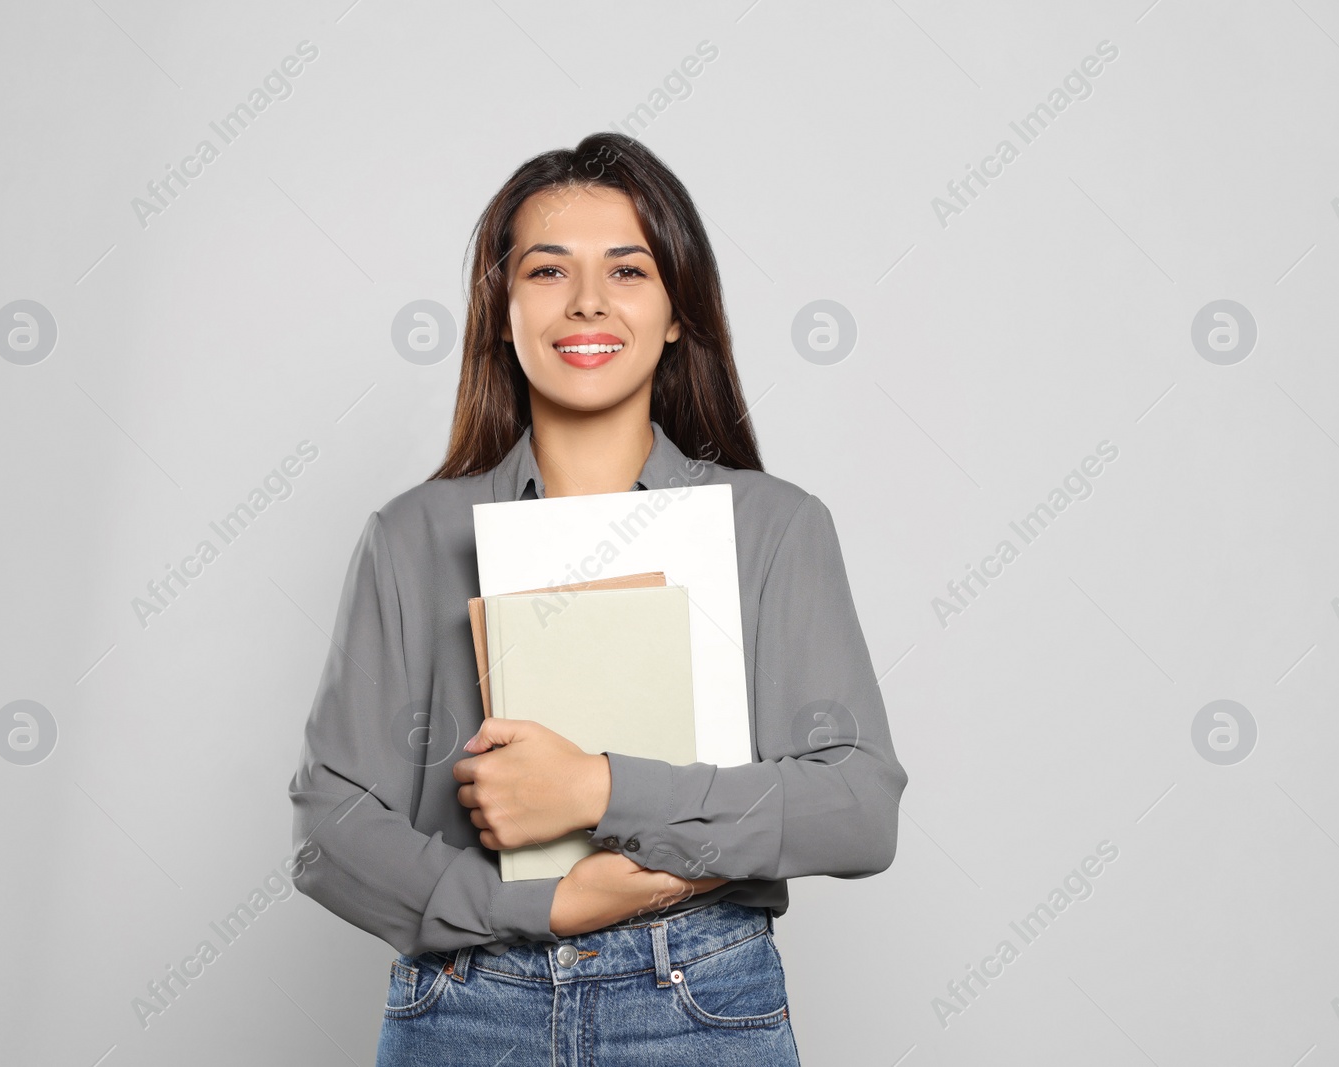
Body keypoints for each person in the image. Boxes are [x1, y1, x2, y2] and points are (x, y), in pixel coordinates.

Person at [288, 131, 908, 1065]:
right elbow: (326, 826)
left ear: (675, 316)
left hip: (697, 999)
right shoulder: (411, 535)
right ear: (500, 311)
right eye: (547, 270)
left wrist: (597, 787)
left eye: (628, 269)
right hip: (467, 1000)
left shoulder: (774, 527)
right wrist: (536, 904)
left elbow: (859, 804)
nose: (586, 300)